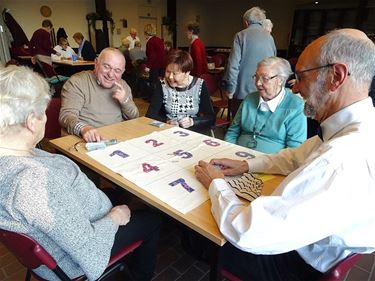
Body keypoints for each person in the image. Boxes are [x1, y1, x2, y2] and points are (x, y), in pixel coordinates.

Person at [194, 28, 375, 280]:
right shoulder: (356, 126)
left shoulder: (341, 159)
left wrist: (215, 183)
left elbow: (246, 231)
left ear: (336, 76)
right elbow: (295, 156)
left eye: (301, 77)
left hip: (297, 262)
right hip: (315, 243)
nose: (296, 88)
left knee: (198, 237)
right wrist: (245, 166)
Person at [0, 65, 161, 281]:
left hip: (71, 225)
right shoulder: (32, 182)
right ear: (30, 121)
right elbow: (90, 252)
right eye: (43, 113)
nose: (46, 118)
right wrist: (114, 218)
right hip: (72, 261)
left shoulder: (15, 156)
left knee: (120, 194)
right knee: (153, 219)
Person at [225, 56, 306, 153]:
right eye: (256, 77)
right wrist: (228, 152)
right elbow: (232, 132)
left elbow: (295, 149)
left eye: (265, 78)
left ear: (280, 80)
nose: (258, 83)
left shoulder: (295, 106)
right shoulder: (249, 99)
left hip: (270, 164)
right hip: (236, 156)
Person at [59, 47, 139, 142]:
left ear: (123, 71)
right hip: (86, 141)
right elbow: (66, 116)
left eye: (117, 70)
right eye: (106, 66)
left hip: (116, 139)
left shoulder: (123, 85)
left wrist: (125, 101)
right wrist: (84, 129)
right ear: (96, 63)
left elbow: (134, 117)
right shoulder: (77, 82)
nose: (111, 74)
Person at [223, 7, 276, 117]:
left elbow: (233, 65)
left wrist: (230, 89)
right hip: (264, 91)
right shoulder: (270, 38)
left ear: (246, 22)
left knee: (240, 123)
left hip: (243, 92)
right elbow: (274, 64)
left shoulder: (241, 36)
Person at [146, 50, 215, 134]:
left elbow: (211, 118)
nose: (170, 77)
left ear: (187, 73)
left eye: (175, 73)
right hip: (168, 131)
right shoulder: (162, 85)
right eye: (168, 72)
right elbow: (150, 115)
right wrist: (166, 122)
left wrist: (193, 121)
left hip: (193, 132)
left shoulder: (199, 85)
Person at [144, 23, 165, 95]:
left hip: (154, 66)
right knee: (160, 84)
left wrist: (147, 67)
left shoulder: (150, 42)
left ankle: (153, 98)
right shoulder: (159, 40)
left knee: (153, 83)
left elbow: (152, 56)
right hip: (162, 65)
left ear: (146, 32)